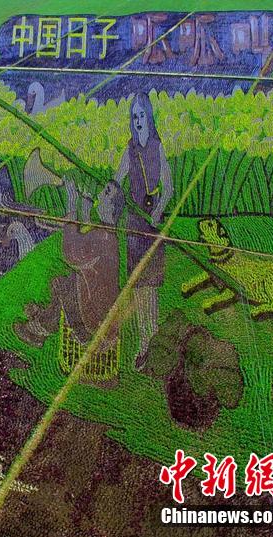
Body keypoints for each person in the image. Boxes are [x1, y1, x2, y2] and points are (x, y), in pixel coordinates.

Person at [15, 179, 123, 350]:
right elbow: (85, 244)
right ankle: (44, 318)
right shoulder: (106, 234)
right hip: (98, 315)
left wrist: (72, 204)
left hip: (93, 321)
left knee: (66, 284)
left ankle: (39, 329)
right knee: (66, 281)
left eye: (106, 192)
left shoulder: (103, 237)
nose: (100, 194)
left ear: (111, 207)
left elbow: (71, 253)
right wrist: (85, 209)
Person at [114, 92, 173, 368]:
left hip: (152, 223)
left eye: (141, 115)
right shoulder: (130, 150)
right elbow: (117, 180)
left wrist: (158, 212)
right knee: (139, 287)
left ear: (149, 117)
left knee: (152, 287)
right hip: (135, 226)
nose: (138, 120)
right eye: (134, 116)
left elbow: (168, 187)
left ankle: (153, 340)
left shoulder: (157, 148)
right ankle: (143, 344)